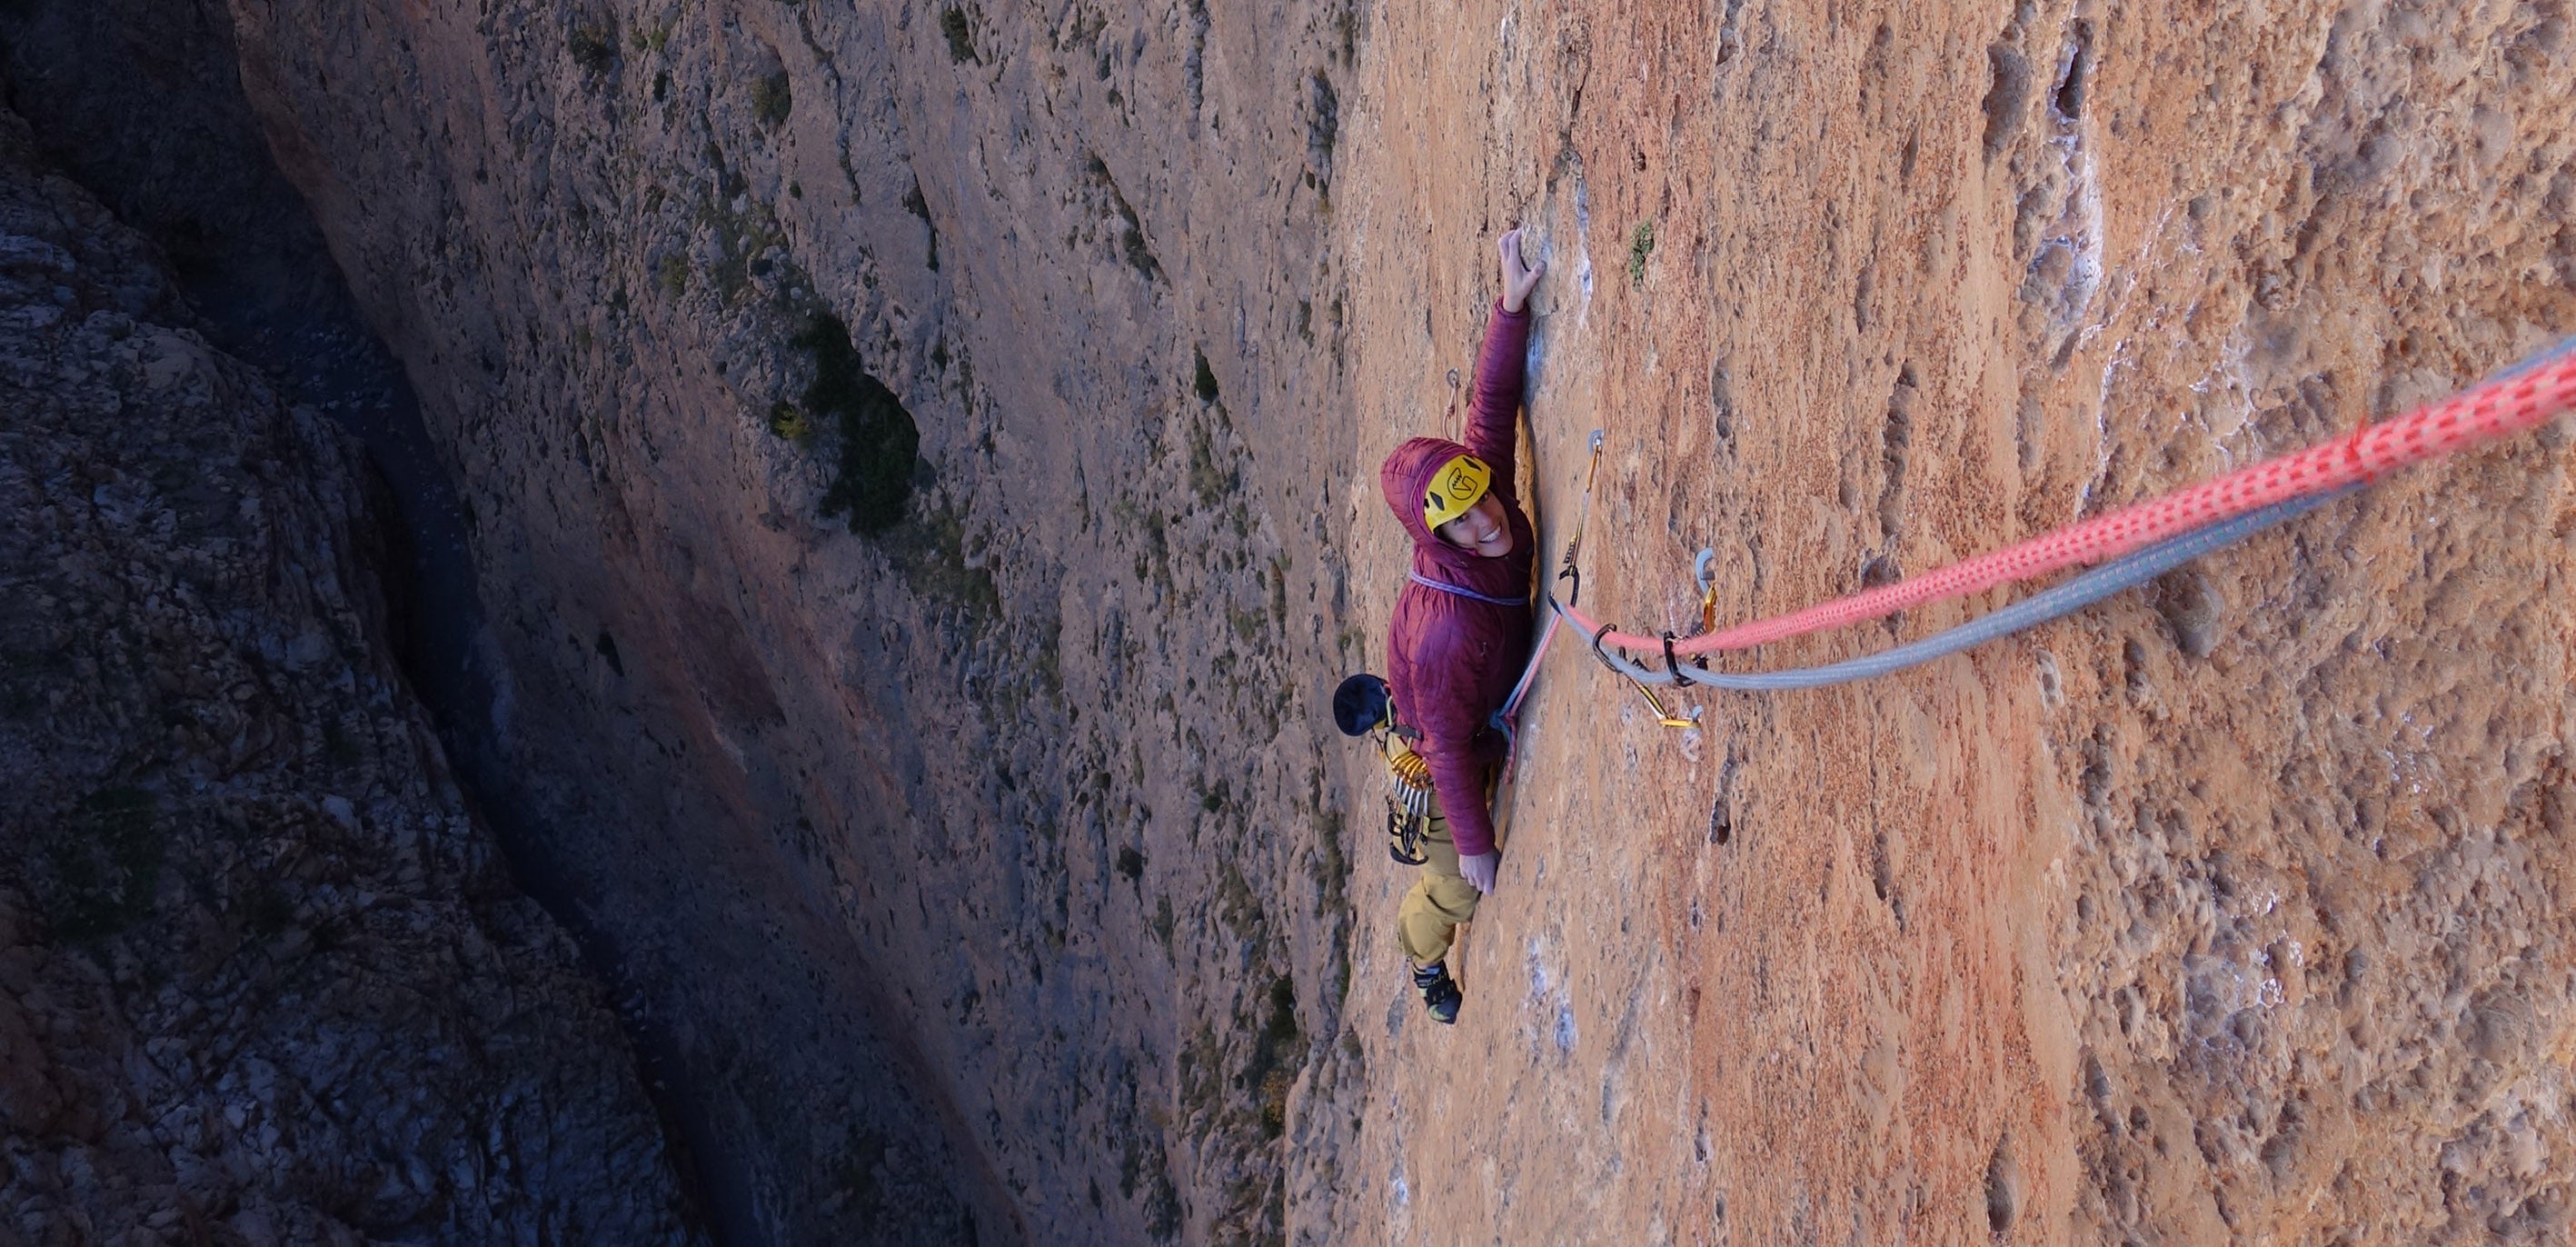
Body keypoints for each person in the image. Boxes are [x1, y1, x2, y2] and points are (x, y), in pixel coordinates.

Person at [1344, 228, 1544, 1024]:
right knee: (1456, 888)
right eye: (1460, 522)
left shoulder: (1480, 489)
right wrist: (1474, 846)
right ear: (1435, 538)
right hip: (1436, 746)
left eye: (1480, 498)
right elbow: (1449, 750)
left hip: (1453, 712)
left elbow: (1492, 408)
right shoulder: (1446, 630)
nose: (1488, 520)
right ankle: (1420, 956)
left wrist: (1510, 304)